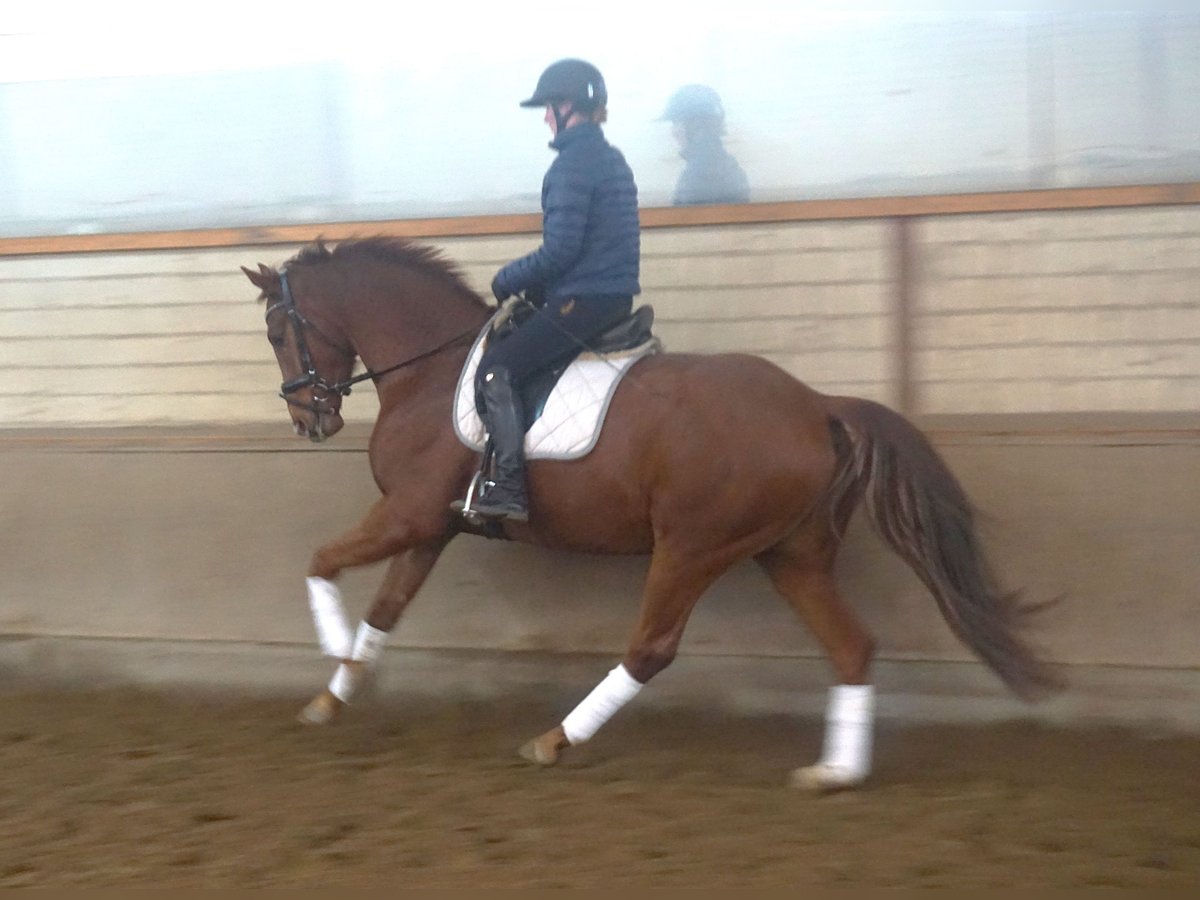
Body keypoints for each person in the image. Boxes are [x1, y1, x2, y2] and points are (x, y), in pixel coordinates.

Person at [465, 58, 641, 524]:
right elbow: (590, 246)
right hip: (609, 295)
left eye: (548, 107)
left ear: (568, 107)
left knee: (496, 367)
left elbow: (561, 250)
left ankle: (508, 486)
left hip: (583, 299)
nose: (545, 116)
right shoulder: (610, 159)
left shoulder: (571, 166)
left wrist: (509, 278)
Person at [659, 84, 750, 206]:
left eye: (677, 122)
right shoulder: (723, 165)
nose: (674, 132)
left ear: (697, 125)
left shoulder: (702, 173)